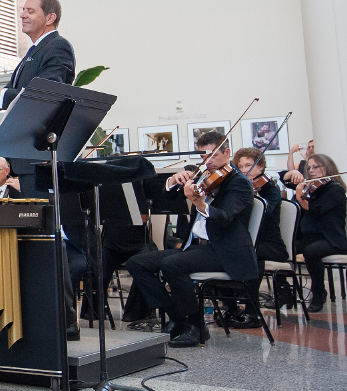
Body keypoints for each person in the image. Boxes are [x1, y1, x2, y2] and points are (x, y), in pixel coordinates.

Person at [124, 132, 258, 347]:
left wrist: (200, 203)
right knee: (137, 263)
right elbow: (166, 200)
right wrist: (171, 181)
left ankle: (196, 327)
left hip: (223, 251)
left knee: (172, 264)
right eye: (204, 156)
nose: (208, 161)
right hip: (194, 248)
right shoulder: (202, 175)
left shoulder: (239, 183)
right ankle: (177, 317)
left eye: (213, 155)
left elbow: (224, 218)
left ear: (227, 153)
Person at [0, 0, 75, 110]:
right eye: (23, 10)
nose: (22, 15)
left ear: (50, 18)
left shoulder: (58, 46)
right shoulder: (34, 51)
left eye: (30, 11)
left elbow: (45, 95)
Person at [217, 148, 287, 327]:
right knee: (224, 252)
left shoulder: (270, 189)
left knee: (250, 256)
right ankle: (231, 308)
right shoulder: (239, 186)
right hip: (249, 242)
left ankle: (253, 312)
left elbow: (264, 213)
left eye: (249, 165)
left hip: (270, 244)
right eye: (240, 166)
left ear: (261, 167)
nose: (244, 170)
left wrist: (251, 195)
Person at [293, 154, 346, 313]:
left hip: (332, 239)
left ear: (327, 167)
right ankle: (286, 293)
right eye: (309, 168)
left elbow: (314, 211)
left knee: (311, 252)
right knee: (286, 250)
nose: (311, 171)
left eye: (316, 167)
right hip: (312, 238)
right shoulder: (314, 189)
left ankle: (318, 293)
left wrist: (300, 197)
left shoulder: (335, 190)